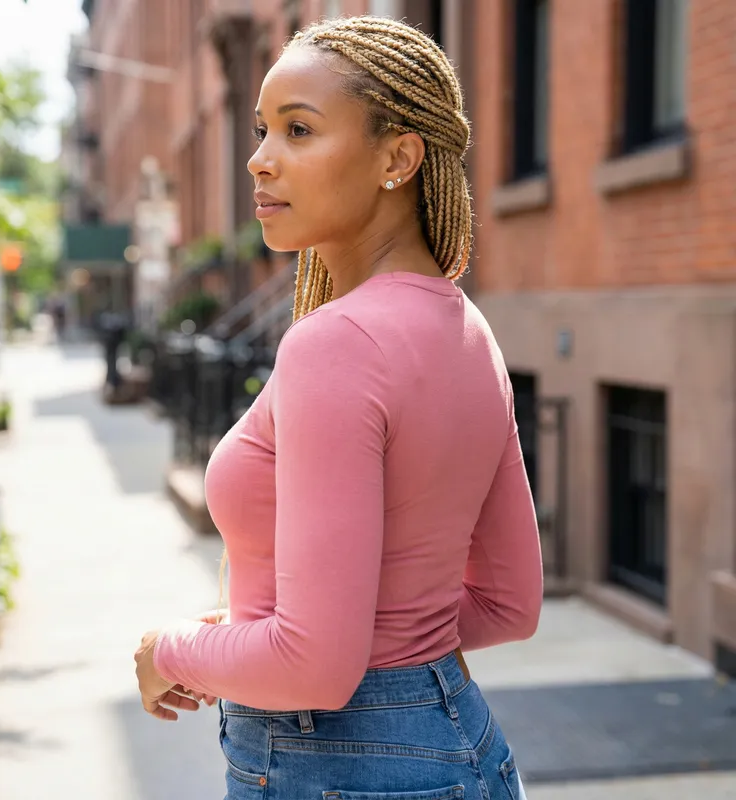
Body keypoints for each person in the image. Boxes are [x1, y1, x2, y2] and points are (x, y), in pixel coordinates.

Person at [134, 15, 542, 799]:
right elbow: (509, 604)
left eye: (298, 130)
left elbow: (316, 666)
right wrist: (268, 638)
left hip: (336, 764)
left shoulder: (336, 344)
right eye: (262, 129)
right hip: (462, 747)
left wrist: (169, 651)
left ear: (397, 158)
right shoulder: (468, 331)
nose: (260, 158)